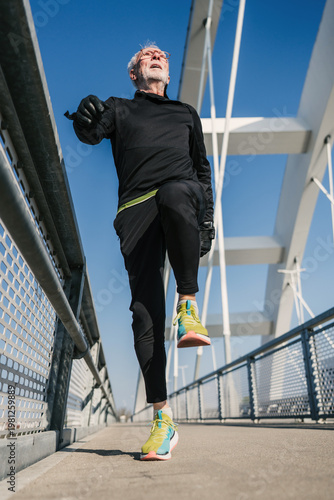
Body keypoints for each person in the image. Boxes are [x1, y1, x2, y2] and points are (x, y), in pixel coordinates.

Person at [67, 43, 215, 461]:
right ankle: (162, 420)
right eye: (147, 55)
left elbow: (201, 170)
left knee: (175, 191)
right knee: (143, 313)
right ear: (135, 74)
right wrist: (84, 118)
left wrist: (207, 221)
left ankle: (188, 303)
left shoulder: (186, 114)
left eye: (162, 56)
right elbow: (91, 132)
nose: (157, 54)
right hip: (135, 211)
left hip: (180, 196)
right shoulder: (119, 107)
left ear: (167, 75)